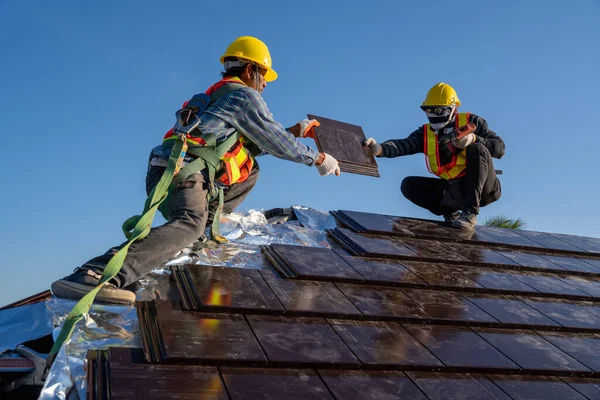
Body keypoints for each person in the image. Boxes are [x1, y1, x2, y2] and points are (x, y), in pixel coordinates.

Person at [51, 36, 340, 305]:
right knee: (189, 223)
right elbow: (275, 140)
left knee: (249, 169)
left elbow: (252, 145)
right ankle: (94, 275)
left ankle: (202, 228)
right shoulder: (245, 97)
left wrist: (293, 131)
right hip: (185, 171)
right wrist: (316, 158)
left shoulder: (216, 96)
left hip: (171, 169)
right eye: (264, 75)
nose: (265, 84)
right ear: (250, 69)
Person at [364, 82, 505, 230]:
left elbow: (500, 149)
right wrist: (380, 149)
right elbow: (404, 145)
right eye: (429, 110)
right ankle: (451, 213)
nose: (433, 115)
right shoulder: (426, 134)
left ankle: (470, 214)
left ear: (453, 108)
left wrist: (474, 139)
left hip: (485, 190)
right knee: (409, 185)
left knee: (478, 149)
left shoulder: (473, 122)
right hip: (455, 190)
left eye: (438, 111)